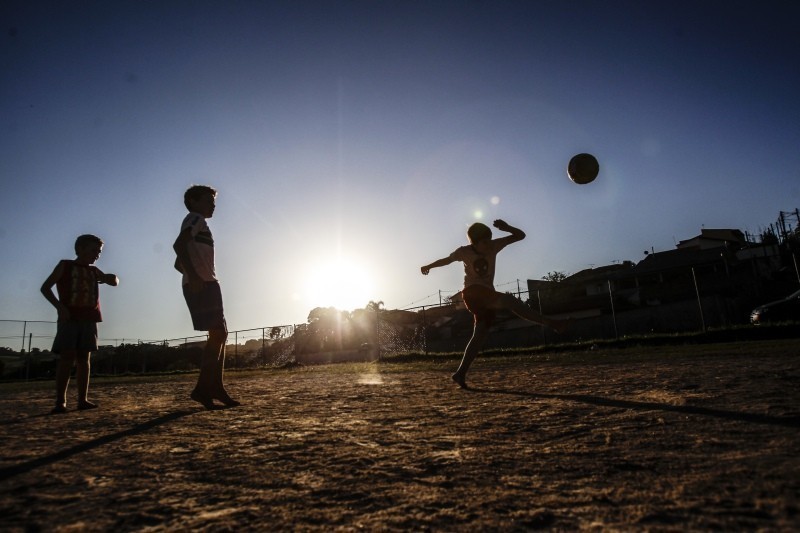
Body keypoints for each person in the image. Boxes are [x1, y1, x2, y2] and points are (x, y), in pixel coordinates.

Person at [421, 219, 569, 388]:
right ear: (475, 242)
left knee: (480, 335)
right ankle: (553, 323)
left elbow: (520, 236)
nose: (489, 245)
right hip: (472, 293)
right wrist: (429, 266)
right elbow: (447, 260)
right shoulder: (464, 252)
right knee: (509, 300)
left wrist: (507, 228)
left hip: (487, 294)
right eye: (485, 242)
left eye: (490, 240)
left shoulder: (495, 246)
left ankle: (460, 373)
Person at [173, 185, 240, 409]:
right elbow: (178, 245)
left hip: (207, 281)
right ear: (193, 201)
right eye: (208, 200)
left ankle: (214, 387)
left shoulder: (200, 224)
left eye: (214, 201)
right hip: (204, 283)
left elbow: (177, 263)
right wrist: (194, 277)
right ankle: (204, 389)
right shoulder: (195, 218)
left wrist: (192, 274)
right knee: (219, 333)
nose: (213, 205)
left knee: (220, 334)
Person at [41, 234, 118, 413]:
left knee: (84, 358)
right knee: (67, 357)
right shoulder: (65, 265)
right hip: (69, 317)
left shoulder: (94, 271)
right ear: (80, 249)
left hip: (90, 318)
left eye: (99, 252)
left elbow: (114, 281)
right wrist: (59, 307)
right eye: (93, 251)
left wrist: (109, 278)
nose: (96, 255)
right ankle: (60, 401)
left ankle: (82, 399)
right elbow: (45, 287)